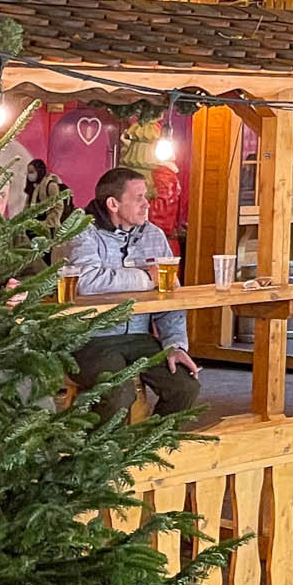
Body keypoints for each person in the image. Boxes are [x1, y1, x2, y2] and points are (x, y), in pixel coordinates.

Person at [62, 167, 200, 420]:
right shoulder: (82, 230)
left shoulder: (154, 235)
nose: (147, 204)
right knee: (118, 395)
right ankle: (101, 457)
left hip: (139, 336)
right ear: (113, 204)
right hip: (90, 338)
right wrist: (147, 278)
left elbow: (169, 297)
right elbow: (87, 281)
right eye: (138, 198)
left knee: (185, 387)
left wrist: (175, 344)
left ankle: (149, 451)